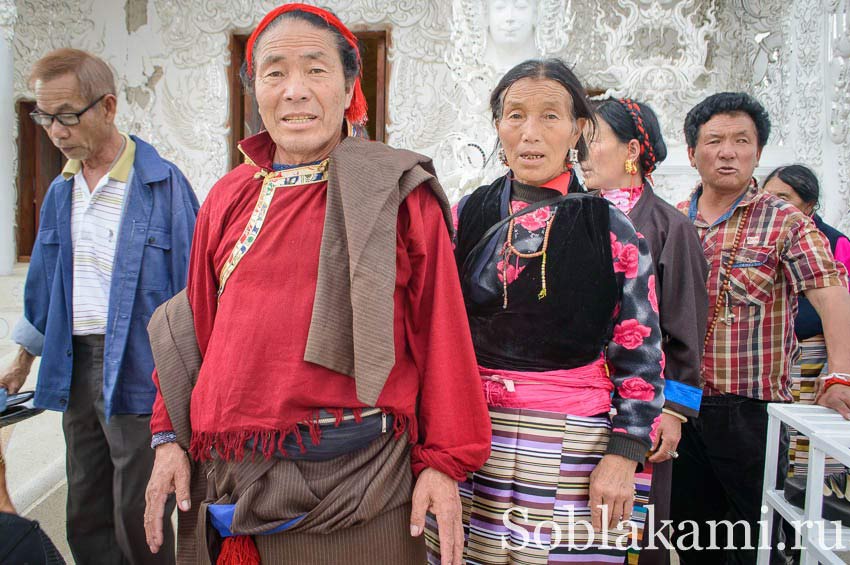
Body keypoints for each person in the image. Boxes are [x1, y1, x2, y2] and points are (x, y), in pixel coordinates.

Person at [143, 5, 491, 565]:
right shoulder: (228, 196)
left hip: (359, 481)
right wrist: (168, 439)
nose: (295, 90)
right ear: (255, 89)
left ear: (350, 84)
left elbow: (441, 332)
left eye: (316, 69)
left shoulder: (398, 192)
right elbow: (194, 334)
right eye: (274, 72)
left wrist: (442, 464)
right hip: (236, 480)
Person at [444, 58, 664, 564]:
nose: (530, 133)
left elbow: (641, 350)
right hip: (474, 436)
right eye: (515, 115)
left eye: (550, 116)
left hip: (574, 442)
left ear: (577, 129)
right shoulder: (464, 216)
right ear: (498, 125)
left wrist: (623, 454)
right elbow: (436, 331)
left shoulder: (612, 229)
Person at [0, 48, 198, 565]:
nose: (56, 131)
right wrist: (23, 358)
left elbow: (193, 287)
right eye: (44, 117)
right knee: (85, 497)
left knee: (138, 503)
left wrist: (192, 378)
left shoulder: (161, 184)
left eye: (67, 115)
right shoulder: (62, 191)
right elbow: (45, 284)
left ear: (107, 107)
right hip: (75, 361)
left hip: (140, 361)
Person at [672, 92, 850, 564]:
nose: (727, 151)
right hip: (677, 406)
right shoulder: (673, 220)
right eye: (714, 140)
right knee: (691, 534)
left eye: (741, 141)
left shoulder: (784, 222)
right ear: (692, 153)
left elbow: (829, 292)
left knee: (755, 537)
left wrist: (840, 374)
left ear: (757, 152)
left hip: (750, 412)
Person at [582, 97, 709, 565]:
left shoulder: (670, 228)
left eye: (591, 139)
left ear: (632, 150)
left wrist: (673, 414)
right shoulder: (576, 216)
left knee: (631, 531)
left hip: (642, 413)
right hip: (580, 405)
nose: (580, 151)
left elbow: (688, 333)